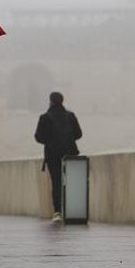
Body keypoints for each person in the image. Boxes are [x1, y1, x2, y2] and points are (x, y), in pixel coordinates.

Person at [34, 91, 82, 222]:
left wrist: (51, 140)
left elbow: (38, 137)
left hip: (52, 155)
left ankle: (57, 212)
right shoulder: (70, 116)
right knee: (71, 183)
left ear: (51, 101)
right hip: (70, 154)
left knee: (56, 182)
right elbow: (78, 134)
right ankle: (74, 211)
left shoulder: (44, 117)